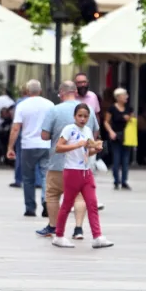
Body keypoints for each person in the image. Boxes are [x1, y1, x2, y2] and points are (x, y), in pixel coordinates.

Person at [37, 81, 99, 239]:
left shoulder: (55, 110)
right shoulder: (88, 109)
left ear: (61, 93)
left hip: (58, 162)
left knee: (52, 194)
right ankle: (78, 228)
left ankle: (53, 226)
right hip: (81, 164)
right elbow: (95, 134)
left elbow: (44, 135)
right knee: (79, 197)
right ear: (76, 92)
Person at [51, 103, 113, 249]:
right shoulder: (69, 129)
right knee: (67, 204)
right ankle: (59, 235)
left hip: (86, 171)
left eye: (85, 116)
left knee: (92, 204)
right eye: (80, 116)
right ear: (74, 116)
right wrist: (77, 145)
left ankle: (97, 236)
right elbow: (58, 148)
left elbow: (87, 152)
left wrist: (95, 149)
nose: (83, 119)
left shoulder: (87, 131)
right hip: (72, 171)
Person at [6, 80, 55, 218]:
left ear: (27, 91)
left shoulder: (22, 105)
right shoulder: (50, 104)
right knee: (46, 175)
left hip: (28, 145)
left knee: (28, 178)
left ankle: (30, 208)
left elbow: (16, 128)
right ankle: (46, 201)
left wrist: (10, 147)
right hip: (46, 144)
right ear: (40, 91)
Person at [103, 87, 133, 190]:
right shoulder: (112, 108)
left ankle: (124, 181)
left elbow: (133, 123)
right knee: (116, 159)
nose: (126, 97)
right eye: (124, 95)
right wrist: (111, 132)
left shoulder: (129, 108)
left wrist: (129, 119)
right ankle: (116, 181)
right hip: (116, 135)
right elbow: (106, 121)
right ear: (118, 97)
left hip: (127, 136)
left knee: (125, 160)